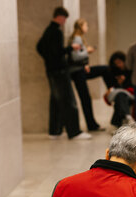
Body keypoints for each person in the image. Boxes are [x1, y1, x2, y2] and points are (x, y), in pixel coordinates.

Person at [36, 7, 91, 140]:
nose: (64, 22)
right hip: (59, 70)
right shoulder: (56, 32)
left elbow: (39, 47)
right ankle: (74, 131)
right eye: (64, 19)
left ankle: (54, 131)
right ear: (60, 17)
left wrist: (48, 59)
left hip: (51, 70)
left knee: (55, 101)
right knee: (68, 100)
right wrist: (70, 48)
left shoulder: (48, 31)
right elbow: (58, 51)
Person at [68, 18, 111, 132]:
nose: (87, 28)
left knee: (104, 69)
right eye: (86, 26)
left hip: (81, 70)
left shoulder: (78, 38)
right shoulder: (77, 38)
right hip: (78, 72)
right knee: (85, 98)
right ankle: (92, 125)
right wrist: (88, 51)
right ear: (81, 26)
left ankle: (111, 89)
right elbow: (75, 56)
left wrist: (85, 63)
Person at [104, 51, 134, 128]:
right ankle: (127, 116)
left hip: (130, 93)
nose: (118, 65)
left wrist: (123, 82)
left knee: (120, 97)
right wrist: (119, 83)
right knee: (120, 95)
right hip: (118, 94)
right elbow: (111, 86)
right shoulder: (112, 71)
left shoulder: (130, 70)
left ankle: (116, 122)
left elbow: (132, 85)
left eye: (120, 62)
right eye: (116, 63)